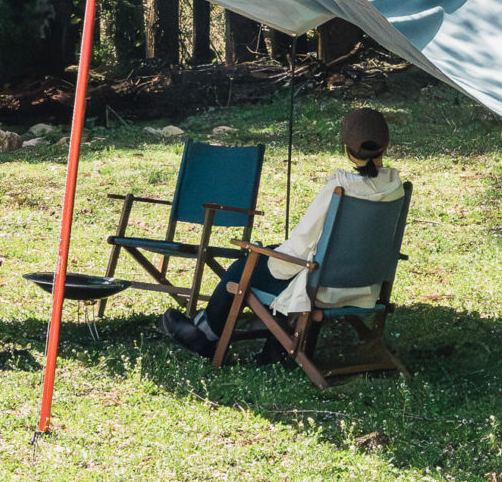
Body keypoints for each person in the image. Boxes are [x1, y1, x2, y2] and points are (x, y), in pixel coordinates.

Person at [161, 107, 405, 358]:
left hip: (323, 289)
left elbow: (301, 245)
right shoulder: (397, 189)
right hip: (366, 287)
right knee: (274, 258)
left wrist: (271, 256)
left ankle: (204, 335)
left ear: (347, 150)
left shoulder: (341, 186)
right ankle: (274, 348)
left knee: (244, 268)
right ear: (385, 147)